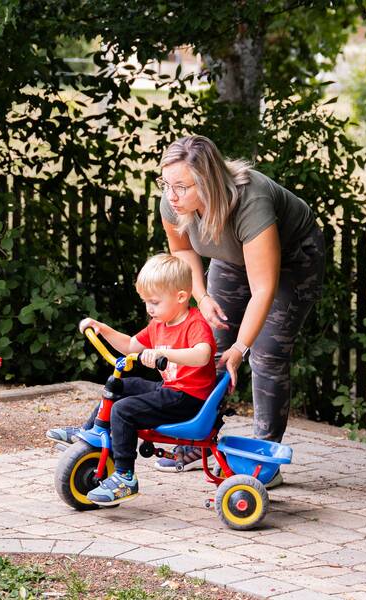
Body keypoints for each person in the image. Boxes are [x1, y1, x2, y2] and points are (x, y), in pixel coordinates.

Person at [153, 134, 325, 480]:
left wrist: (241, 347)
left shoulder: (251, 201)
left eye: (182, 187)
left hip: (293, 260)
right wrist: (202, 297)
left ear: (209, 181)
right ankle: (196, 442)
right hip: (231, 257)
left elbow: (264, 287)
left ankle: (264, 461)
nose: (171, 196)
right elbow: (184, 252)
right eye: (166, 184)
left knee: (267, 352)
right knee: (207, 345)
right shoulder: (173, 201)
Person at [46, 253, 217, 506]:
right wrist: (102, 329)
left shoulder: (194, 323)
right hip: (170, 389)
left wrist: (163, 353)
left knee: (125, 410)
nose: (149, 308)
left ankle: (125, 477)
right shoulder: (159, 323)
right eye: (146, 301)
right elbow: (129, 345)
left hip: (189, 399)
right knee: (120, 387)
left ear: (181, 297)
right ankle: (89, 431)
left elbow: (202, 355)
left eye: (155, 302)